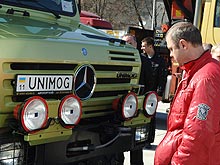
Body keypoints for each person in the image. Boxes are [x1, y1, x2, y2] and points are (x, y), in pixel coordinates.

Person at [154, 22, 220, 165]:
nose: (171, 55)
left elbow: (198, 135)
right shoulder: (197, 72)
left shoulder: (205, 77)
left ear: (183, 45)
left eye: (171, 49)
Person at [121, 34, 152, 165]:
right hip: (120, 105)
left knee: (136, 142)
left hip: (137, 105)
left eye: (129, 42)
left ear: (136, 45)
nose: (127, 45)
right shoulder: (118, 59)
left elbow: (150, 82)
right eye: (124, 43)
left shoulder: (144, 61)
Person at [141, 37, 168, 145]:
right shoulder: (142, 58)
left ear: (150, 46)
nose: (142, 48)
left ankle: (149, 139)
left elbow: (162, 78)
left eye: (144, 46)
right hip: (143, 92)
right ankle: (142, 137)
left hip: (153, 93)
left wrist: (159, 93)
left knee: (151, 116)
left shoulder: (159, 60)